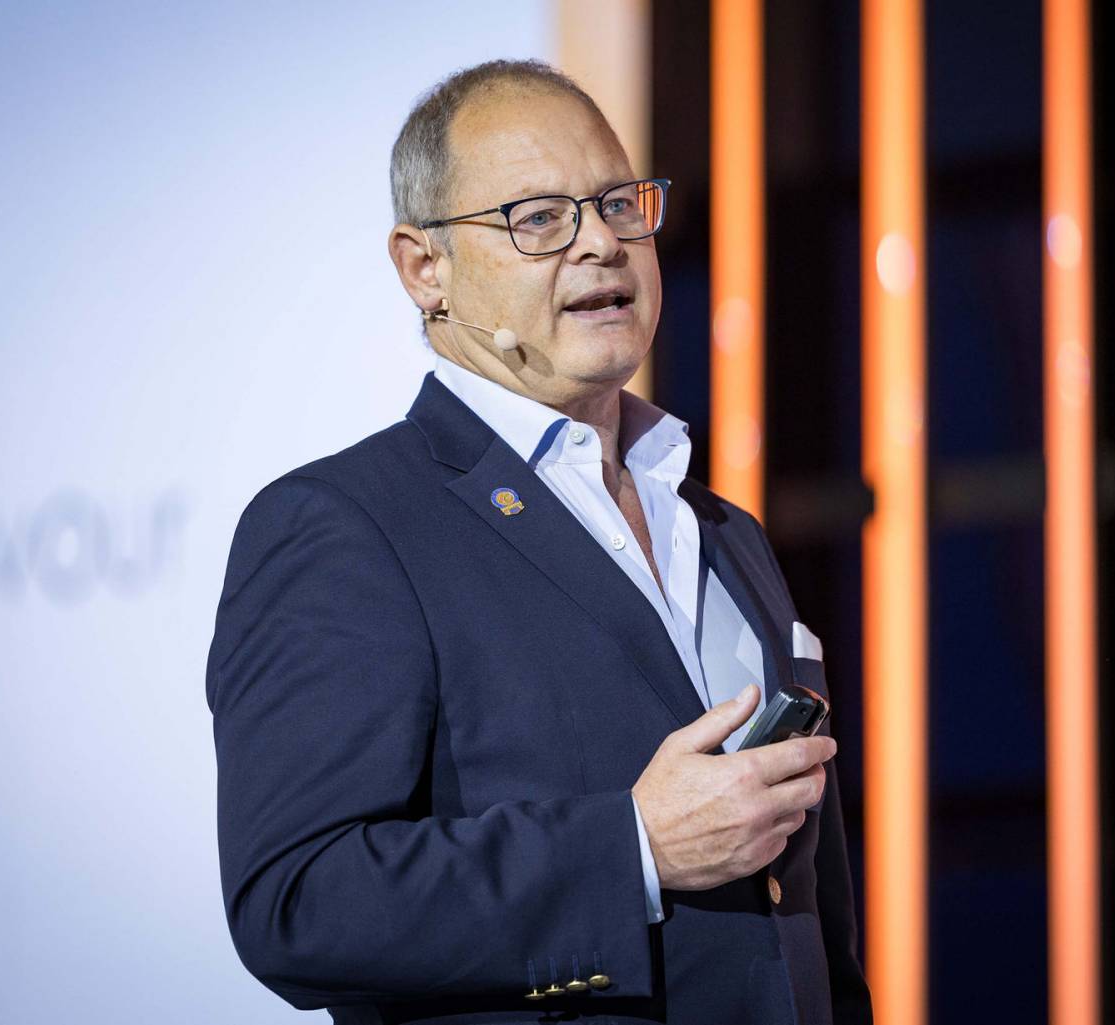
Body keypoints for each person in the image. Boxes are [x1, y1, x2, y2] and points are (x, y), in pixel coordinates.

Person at [206, 59, 871, 1025]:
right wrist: (634, 848)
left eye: (618, 204)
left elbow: (812, 918)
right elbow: (299, 903)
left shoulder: (725, 531)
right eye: (539, 218)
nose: (601, 242)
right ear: (425, 269)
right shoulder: (345, 524)